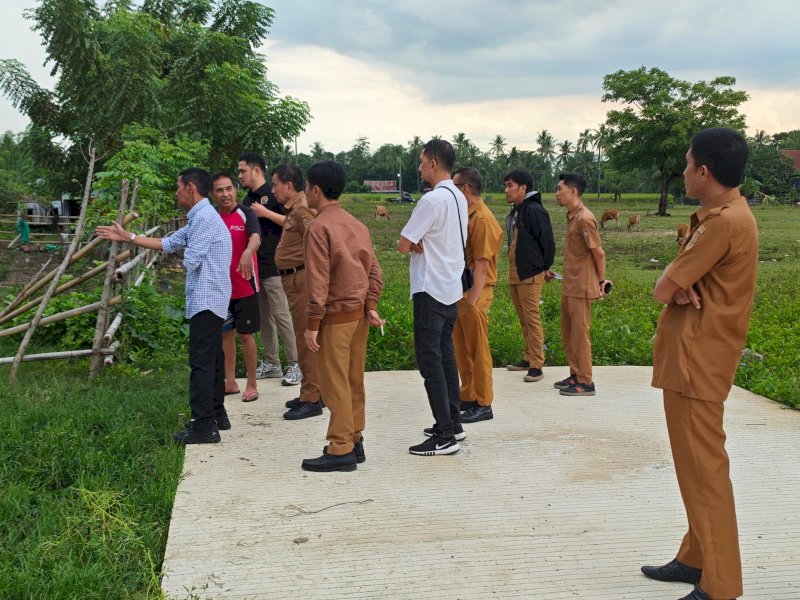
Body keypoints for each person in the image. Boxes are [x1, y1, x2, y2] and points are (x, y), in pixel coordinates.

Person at [642, 128, 756, 600]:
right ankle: (696, 556)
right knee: (693, 470)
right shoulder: (727, 215)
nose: (685, 171)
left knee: (706, 474)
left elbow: (663, 288)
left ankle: (722, 584)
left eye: (688, 164)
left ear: (703, 172)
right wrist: (679, 284)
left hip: (697, 364)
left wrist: (675, 284)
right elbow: (677, 284)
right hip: (694, 360)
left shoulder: (722, 223)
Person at [96, 168, 232, 444]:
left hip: (207, 299)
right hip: (211, 298)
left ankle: (203, 426)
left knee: (201, 363)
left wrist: (188, 247)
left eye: (178, 187)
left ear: (191, 188)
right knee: (213, 359)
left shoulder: (204, 218)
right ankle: (217, 414)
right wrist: (129, 237)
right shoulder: (199, 217)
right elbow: (169, 243)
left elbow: (190, 260)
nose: (176, 192)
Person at [300, 160, 385, 472]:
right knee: (353, 380)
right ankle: (355, 438)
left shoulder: (319, 227)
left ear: (316, 190)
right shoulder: (357, 225)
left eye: (307, 187)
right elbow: (375, 271)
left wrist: (311, 324)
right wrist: (371, 303)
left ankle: (340, 449)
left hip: (335, 318)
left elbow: (318, 282)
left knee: (335, 383)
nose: (305, 192)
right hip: (359, 316)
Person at [398, 139, 467, 456]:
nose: (419, 166)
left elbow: (402, 242)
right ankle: (454, 422)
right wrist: (416, 241)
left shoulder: (431, 201)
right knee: (445, 358)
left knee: (431, 365)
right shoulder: (458, 197)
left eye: (422, 161)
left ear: (434, 162)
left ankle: (444, 435)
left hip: (430, 289)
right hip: (450, 289)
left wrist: (413, 242)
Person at [238, 152, 302, 387]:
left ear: (256, 171)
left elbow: (293, 223)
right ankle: (272, 362)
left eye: (243, 170)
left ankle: (295, 364)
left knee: (282, 315)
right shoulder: (247, 200)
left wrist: (265, 213)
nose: (240, 176)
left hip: (276, 266)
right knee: (265, 317)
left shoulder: (274, 196)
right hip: (256, 268)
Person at [271, 164, 324, 420]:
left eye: (275, 185)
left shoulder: (302, 210)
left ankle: (312, 397)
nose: (273, 190)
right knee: (303, 337)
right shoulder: (294, 209)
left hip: (301, 280)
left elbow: (318, 241)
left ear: (288, 186)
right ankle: (309, 391)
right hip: (294, 280)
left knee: (306, 339)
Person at [548, 173, 609, 396]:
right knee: (569, 332)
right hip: (570, 285)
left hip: (581, 287)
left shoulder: (585, 218)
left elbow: (598, 253)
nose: (556, 193)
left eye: (559, 189)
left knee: (580, 334)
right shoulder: (572, 216)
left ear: (573, 191)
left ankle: (586, 381)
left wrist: (601, 282)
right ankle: (575, 374)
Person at [451, 167, 504, 423]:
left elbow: (482, 265)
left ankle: (484, 402)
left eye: (454, 187)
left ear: (465, 189)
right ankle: (469, 394)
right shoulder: (468, 216)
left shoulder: (482, 219)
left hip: (476, 292)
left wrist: (471, 302)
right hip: (464, 291)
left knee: (478, 349)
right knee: (463, 348)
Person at [211, 172, 261, 403]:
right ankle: (229, 382)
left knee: (246, 335)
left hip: (245, 287)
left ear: (235, 190)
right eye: (220, 190)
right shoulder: (211, 218)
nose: (225, 194)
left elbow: (256, 238)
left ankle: (251, 383)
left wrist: (248, 253)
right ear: (213, 194)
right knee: (225, 335)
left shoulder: (246, 213)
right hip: (221, 289)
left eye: (229, 188)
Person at [503, 169, 555, 384]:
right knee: (523, 319)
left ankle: (537, 364)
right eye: (505, 186)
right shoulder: (518, 210)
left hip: (530, 273)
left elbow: (548, 242)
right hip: (517, 272)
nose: (506, 191)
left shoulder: (534, 210)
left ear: (523, 188)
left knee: (532, 319)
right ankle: (528, 357)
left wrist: (544, 267)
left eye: (510, 186)